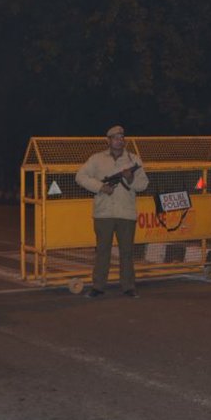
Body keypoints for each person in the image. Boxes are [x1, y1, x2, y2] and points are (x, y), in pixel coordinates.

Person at [76, 124, 149, 298]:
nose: (119, 141)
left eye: (121, 137)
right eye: (115, 138)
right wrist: (101, 187)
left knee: (127, 252)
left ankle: (128, 286)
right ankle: (98, 286)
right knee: (102, 251)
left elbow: (143, 184)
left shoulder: (134, 160)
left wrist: (130, 179)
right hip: (104, 213)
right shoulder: (97, 159)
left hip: (126, 212)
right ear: (108, 140)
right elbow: (80, 176)